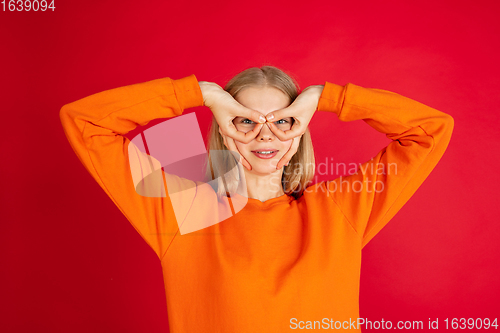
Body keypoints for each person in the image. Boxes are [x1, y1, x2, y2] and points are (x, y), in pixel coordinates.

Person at [59, 65, 454, 332]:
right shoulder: (180, 212)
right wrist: (201, 93)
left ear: (300, 130)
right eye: (245, 120)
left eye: (283, 121)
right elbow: (86, 123)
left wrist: (325, 97)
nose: (266, 136)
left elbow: (430, 131)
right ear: (223, 127)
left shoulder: (339, 210)